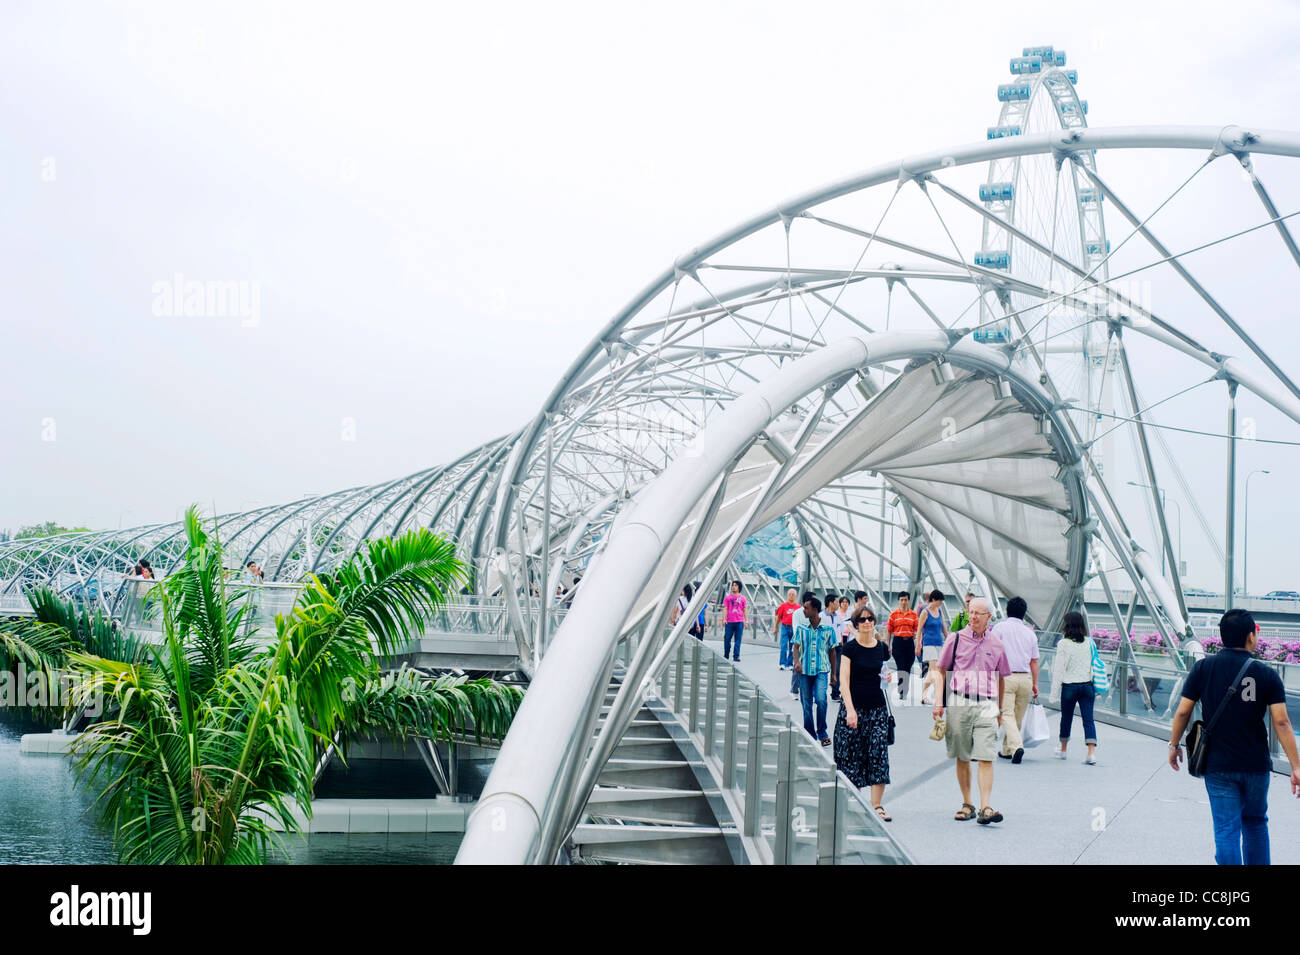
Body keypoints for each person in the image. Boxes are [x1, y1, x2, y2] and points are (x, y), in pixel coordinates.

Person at [1168, 608, 1300, 865]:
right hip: (1256, 765)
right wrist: (1296, 765)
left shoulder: (1203, 668)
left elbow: (1183, 711)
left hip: (1218, 765)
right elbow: (1281, 722)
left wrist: (1174, 745)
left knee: (1227, 829)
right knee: (1256, 823)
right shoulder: (1266, 674)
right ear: (1251, 637)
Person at [931, 597, 1010, 825]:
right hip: (959, 701)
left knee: (986, 755)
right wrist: (939, 702)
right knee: (963, 754)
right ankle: (968, 804)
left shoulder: (996, 644)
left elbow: (1001, 678)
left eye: (979, 613)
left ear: (988, 617)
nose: (973, 616)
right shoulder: (955, 639)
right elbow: (941, 670)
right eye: (971, 612)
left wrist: (1000, 709)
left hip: (987, 704)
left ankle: (986, 806)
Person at [834, 608, 894, 820]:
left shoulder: (882, 648)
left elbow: (885, 676)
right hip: (854, 709)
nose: (867, 622)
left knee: (878, 753)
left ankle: (877, 805)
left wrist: (888, 679)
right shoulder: (850, 649)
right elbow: (844, 680)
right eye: (863, 619)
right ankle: (856, 803)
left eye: (870, 619)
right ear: (856, 623)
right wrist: (850, 710)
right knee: (852, 755)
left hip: (877, 708)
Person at [991, 596, 1039, 764]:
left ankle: (1017, 746)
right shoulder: (1030, 633)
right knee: (1016, 718)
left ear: (1007, 610)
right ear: (1024, 613)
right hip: (1025, 678)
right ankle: (1006, 751)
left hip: (1006, 677)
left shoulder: (999, 628)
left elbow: (992, 653)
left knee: (1006, 714)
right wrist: (1034, 684)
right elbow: (1034, 661)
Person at [1049, 611, 1098, 764]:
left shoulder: (1063, 644)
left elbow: (1059, 670)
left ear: (1067, 625)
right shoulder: (1090, 642)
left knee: (1066, 718)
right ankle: (1091, 754)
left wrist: (1053, 694)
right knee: (1088, 720)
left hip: (1070, 686)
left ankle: (1063, 750)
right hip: (1087, 686)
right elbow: (1094, 665)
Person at [792, 595, 838, 746]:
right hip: (804, 671)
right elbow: (796, 647)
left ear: (815, 610)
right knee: (806, 704)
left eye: (806, 608)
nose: (804, 610)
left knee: (821, 699)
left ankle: (822, 731)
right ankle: (810, 734)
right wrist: (797, 662)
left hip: (821, 671)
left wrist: (834, 673)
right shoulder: (801, 628)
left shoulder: (828, 629)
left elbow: (832, 651)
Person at [887, 592, 919, 702]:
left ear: (908, 600)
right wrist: (888, 645)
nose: (904, 602)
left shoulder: (913, 615)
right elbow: (889, 630)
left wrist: (918, 643)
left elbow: (918, 630)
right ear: (899, 601)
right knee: (901, 667)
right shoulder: (894, 614)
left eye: (905, 600)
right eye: (901, 600)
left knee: (907, 668)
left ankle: (905, 689)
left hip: (909, 643)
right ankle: (902, 691)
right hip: (898, 643)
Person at [917, 590, 948, 704]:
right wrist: (918, 645)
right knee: (935, 670)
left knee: (931, 672)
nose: (941, 603)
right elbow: (919, 629)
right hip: (928, 644)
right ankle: (939, 697)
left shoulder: (939, 611)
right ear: (934, 600)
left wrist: (949, 640)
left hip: (939, 643)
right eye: (940, 601)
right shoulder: (925, 612)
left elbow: (944, 627)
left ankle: (923, 695)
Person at [773, 588, 801, 672]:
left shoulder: (798, 607)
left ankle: (790, 664)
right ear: (787, 595)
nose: (791, 596)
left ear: (795, 596)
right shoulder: (783, 605)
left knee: (793, 647)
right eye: (790, 594)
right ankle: (782, 663)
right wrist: (775, 627)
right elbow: (778, 618)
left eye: (793, 594)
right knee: (784, 645)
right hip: (785, 627)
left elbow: (800, 619)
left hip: (794, 628)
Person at [722, 580, 748, 661]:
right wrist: (724, 619)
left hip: (739, 621)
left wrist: (746, 621)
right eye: (733, 585)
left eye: (735, 585)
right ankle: (726, 654)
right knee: (727, 639)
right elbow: (725, 608)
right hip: (729, 622)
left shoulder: (743, 598)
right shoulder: (728, 598)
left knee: (738, 639)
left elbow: (744, 610)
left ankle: (736, 656)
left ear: (739, 587)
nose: (733, 587)